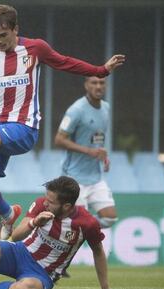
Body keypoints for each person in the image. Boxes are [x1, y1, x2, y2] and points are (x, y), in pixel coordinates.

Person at [0, 4, 125, 232]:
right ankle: (9, 214)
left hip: (25, 127)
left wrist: (101, 70)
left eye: (3, 35)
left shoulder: (35, 49)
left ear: (15, 29)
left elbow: (66, 62)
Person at [0, 176, 123, 289]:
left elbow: (98, 252)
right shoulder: (41, 204)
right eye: (46, 199)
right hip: (20, 252)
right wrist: (34, 223)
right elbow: (16, 237)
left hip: (42, 274)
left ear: (67, 206)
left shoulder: (87, 224)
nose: (46, 204)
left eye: (51, 202)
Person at [54, 76, 117, 229]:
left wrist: (103, 156)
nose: (98, 86)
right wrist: (89, 151)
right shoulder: (76, 110)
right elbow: (59, 140)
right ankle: (64, 227)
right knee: (79, 222)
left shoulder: (106, 108)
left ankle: (76, 225)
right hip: (74, 177)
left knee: (110, 219)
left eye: (101, 83)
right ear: (86, 85)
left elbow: (96, 139)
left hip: (95, 177)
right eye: (94, 83)